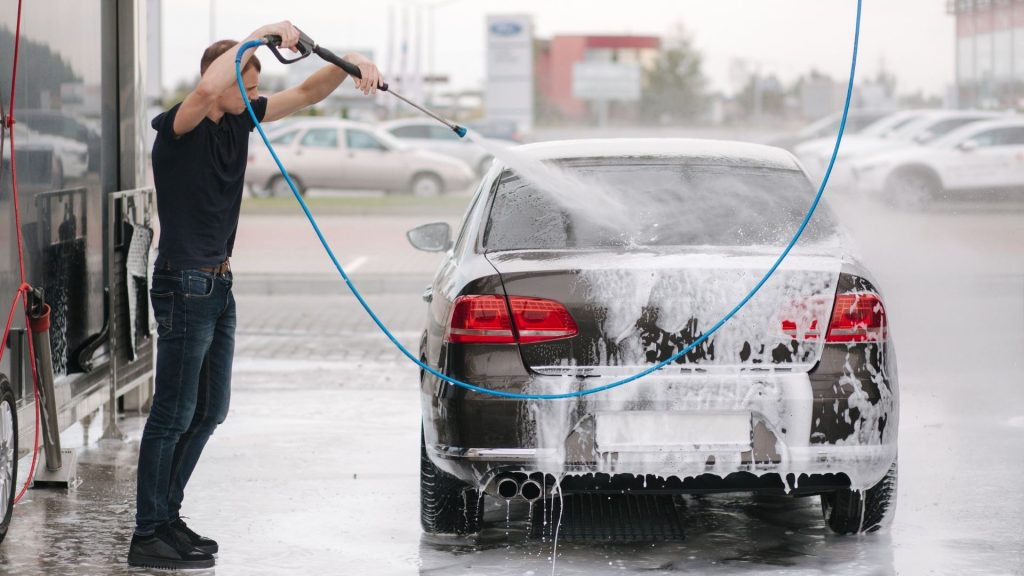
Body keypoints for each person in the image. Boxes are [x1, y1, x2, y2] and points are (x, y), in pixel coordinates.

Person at [128, 21, 382, 570]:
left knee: (210, 410)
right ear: (221, 80)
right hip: (185, 282)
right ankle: (147, 533)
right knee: (173, 413)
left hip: (219, 285)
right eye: (247, 80)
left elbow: (310, 90)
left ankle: (166, 519)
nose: (256, 92)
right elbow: (202, 91)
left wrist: (353, 61)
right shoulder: (181, 126)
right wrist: (259, 35)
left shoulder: (242, 122)